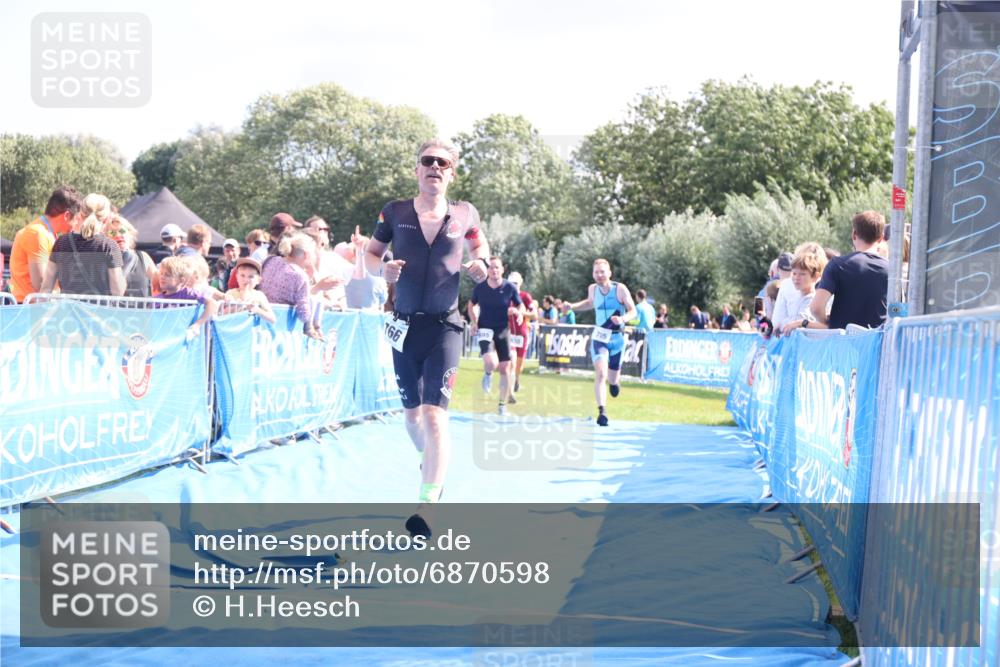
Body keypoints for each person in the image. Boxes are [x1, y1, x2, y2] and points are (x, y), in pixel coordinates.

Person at [365, 138, 489, 537]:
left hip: (445, 326)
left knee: (436, 415)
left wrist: (481, 264)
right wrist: (382, 269)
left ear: (451, 172)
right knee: (413, 416)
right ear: (416, 169)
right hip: (403, 325)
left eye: (443, 163)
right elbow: (370, 254)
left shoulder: (465, 212)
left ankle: (427, 505)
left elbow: (479, 245)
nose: (434, 167)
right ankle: (429, 459)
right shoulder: (394, 211)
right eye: (427, 161)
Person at [567, 258, 637, 427]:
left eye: (602, 272)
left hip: (617, 339)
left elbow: (633, 311)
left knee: (612, 379)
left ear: (609, 273)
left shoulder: (619, 289)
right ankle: (602, 412)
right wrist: (572, 306)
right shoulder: (592, 289)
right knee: (601, 373)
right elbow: (590, 303)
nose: (599, 275)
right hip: (600, 337)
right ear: (593, 274)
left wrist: (622, 318)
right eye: (596, 272)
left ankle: (614, 384)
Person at [811, 211, 889, 330]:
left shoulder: (837, 265)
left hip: (842, 341)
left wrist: (827, 321)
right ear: (881, 238)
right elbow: (898, 309)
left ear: (854, 234)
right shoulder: (890, 270)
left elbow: (816, 308)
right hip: (876, 342)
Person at [467, 257, 524, 414]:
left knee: (505, 368)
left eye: (497, 267)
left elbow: (520, 304)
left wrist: (520, 313)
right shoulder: (480, 288)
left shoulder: (509, 287)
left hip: (503, 331)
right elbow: (471, 304)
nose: (494, 270)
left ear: (502, 269)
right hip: (485, 329)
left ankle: (501, 405)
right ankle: (487, 374)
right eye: (491, 268)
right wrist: (473, 321)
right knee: (491, 362)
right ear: (488, 270)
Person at [9, 186, 85, 302]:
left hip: (36, 308)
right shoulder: (38, 233)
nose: (76, 225)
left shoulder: (47, 233)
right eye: (76, 219)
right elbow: (41, 284)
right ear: (66, 216)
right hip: (28, 309)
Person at [39, 206, 125, 297]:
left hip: (68, 309)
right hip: (98, 310)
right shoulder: (109, 246)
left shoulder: (61, 242)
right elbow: (117, 291)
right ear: (106, 219)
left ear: (80, 215)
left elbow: (46, 288)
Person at [261, 231, 324, 340]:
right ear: (306, 255)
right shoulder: (299, 275)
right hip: (281, 329)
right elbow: (303, 314)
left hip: (259, 320)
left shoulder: (269, 260)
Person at [156, 256, 219, 339]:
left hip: (182, 343)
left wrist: (197, 325)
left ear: (181, 280)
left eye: (167, 275)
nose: (162, 277)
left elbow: (212, 303)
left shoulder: (187, 293)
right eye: (161, 273)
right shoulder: (157, 299)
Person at [772, 241, 826, 331]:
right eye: (794, 273)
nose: (797, 278)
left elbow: (782, 320)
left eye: (802, 273)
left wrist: (784, 324)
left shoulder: (812, 297)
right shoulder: (826, 288)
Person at [104, 214, 155, 297]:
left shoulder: (143, 257)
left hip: (141, 309)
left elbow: (158, 284)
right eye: (112, 233)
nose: (118, 235)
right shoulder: (103, 259)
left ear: (130, 234)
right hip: (113, 309)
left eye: (122, 231)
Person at [344, 226, 389, 310]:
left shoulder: (346, 272)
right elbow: (384, 299)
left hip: (348, 319)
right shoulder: (378, 277)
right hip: (371, 320)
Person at [506, 271, 535, 393]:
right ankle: (510, 389)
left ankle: (517, 378)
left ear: (520, 283)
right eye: (511, 283)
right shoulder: (504, 295)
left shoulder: (525, 296)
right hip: (508, 333)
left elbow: (534, 314)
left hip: (522, 334)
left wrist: (522, 313)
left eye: (516, 283)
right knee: (511, 362)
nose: (514, 285)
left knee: (519, 363)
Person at [225, 257, 276, 324]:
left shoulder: (259, 295)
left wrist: (257, 310)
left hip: (250, 332)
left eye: (251, 277)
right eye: (242, 275)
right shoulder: (231, 293)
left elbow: (272, 319)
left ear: (258, 280)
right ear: (237, 277)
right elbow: (222, 314)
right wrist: (237, 307)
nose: (246, 280)